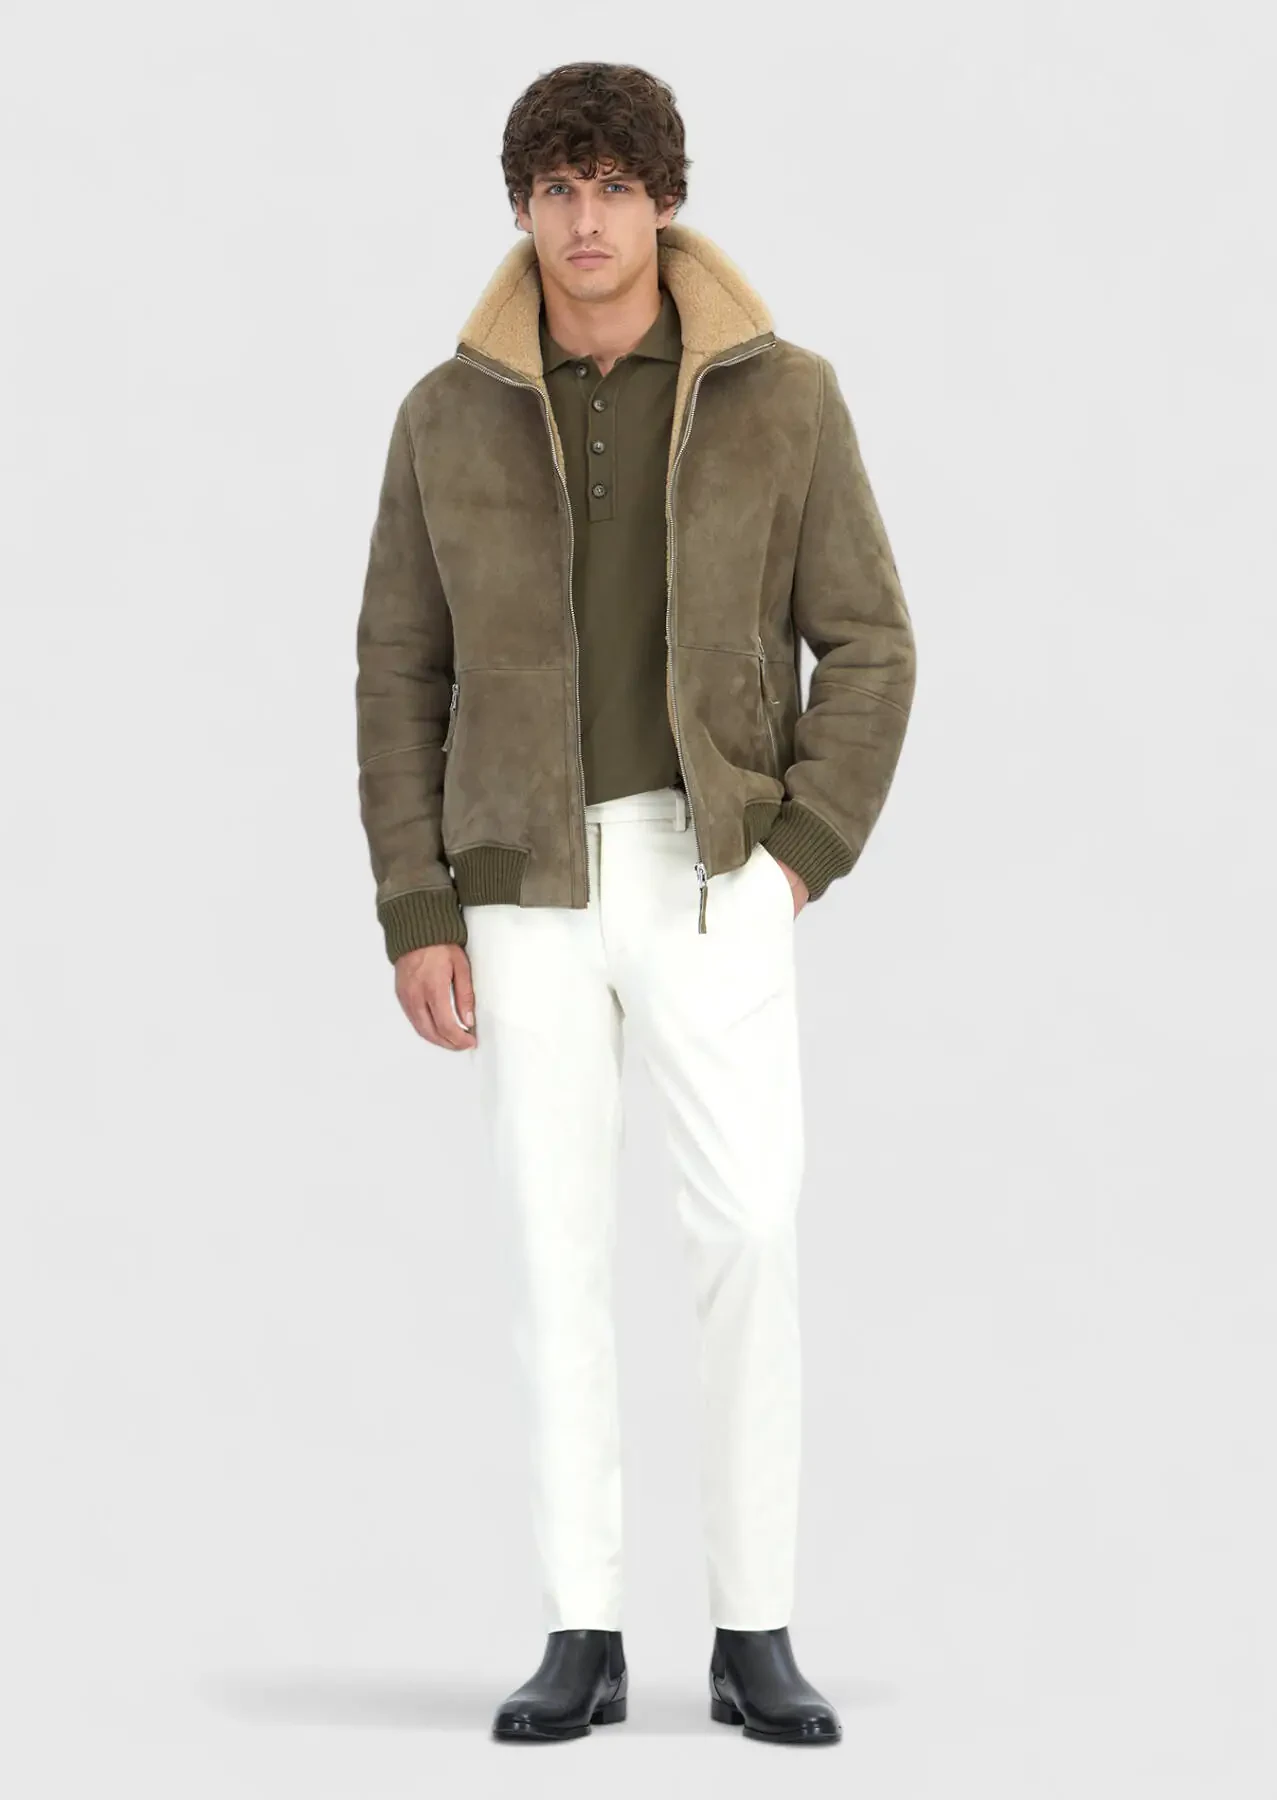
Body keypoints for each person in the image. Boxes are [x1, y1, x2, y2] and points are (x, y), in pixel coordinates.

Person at [354, 60, 916, 1746]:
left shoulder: (782, 395)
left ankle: (755, 1628)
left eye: (613, 186)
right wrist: (417, 906)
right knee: (555, 1256)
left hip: (711, 869)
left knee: (748, 1235)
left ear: (665, 200)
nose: (585, 219)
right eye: (557, 188)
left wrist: (802, 848)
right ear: (522, 206)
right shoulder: (445, 414)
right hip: (519, 884)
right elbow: (398, 670)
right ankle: (581, 1629)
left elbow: (871, 641)